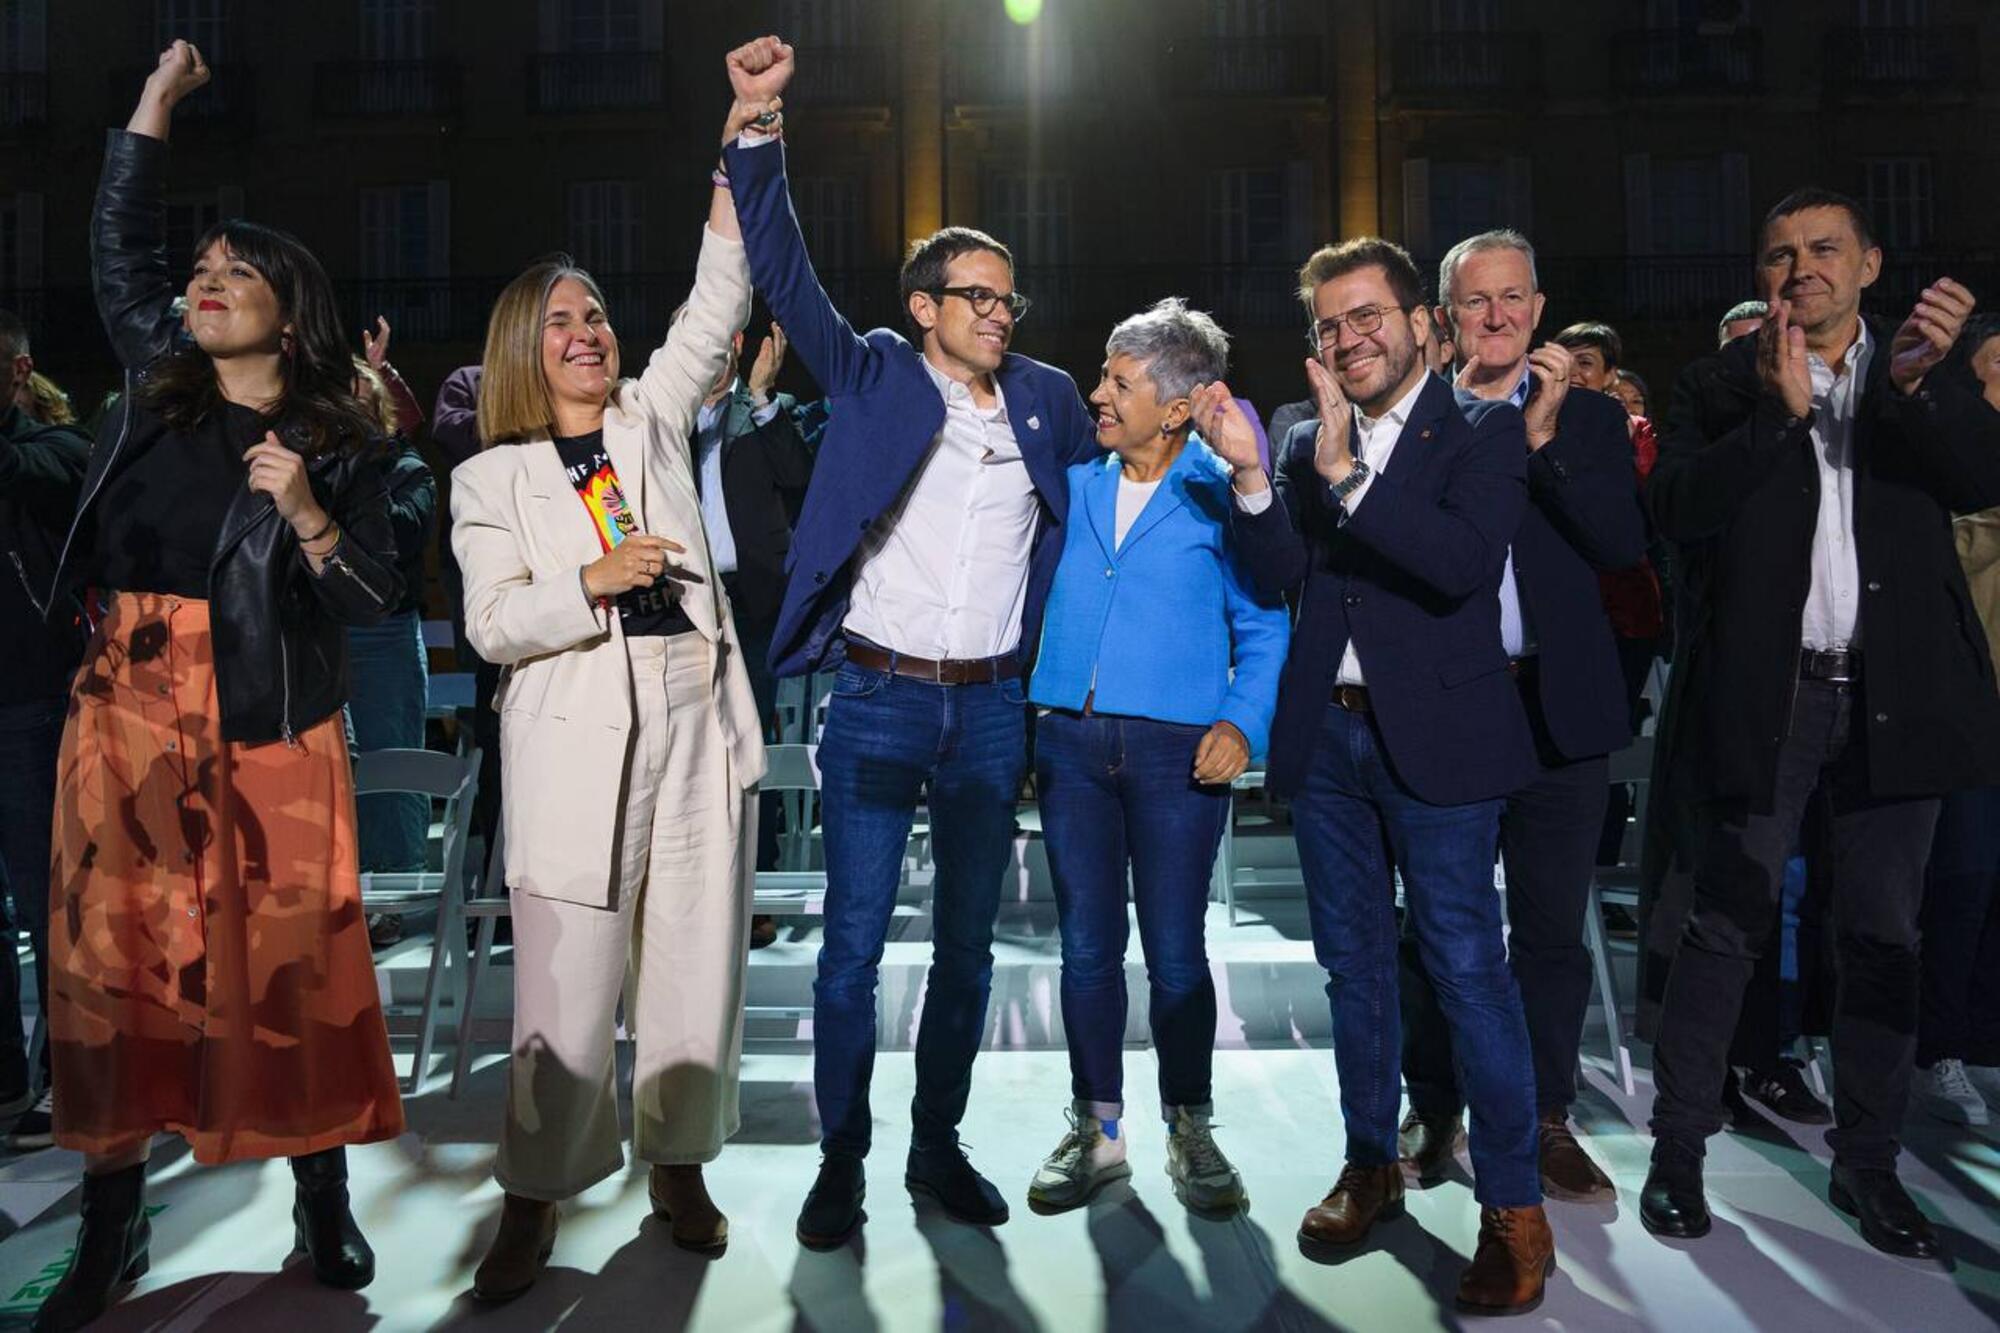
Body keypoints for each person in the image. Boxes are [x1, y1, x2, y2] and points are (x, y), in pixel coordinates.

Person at [34, 42, 406, 1329]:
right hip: (123, 697)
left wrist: (307, 511)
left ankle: (322, 1195)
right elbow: (118, 253)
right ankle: (112, 1216)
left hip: (268, 718)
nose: (203, 286)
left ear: (287, 311)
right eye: (200, 273)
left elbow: (375, 600)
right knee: (111, 955)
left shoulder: (337, 439)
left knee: (290, 956)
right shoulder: (155, 383)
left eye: (234, 274)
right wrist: (146, 113)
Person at [722, 37, 1099, 1249]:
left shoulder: (1045, 398)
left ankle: (936, 1147)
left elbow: (1100, 516)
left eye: (1008, 297)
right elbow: (781, 271)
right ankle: (844, 1156)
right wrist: (756, 131)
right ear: (924, 308)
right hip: (879, 700)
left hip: (991, 711)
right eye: (975, 297)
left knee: (967, 953)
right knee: (848, 947)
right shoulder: (877, 373)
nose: (998, 314)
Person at [449, 63, 776, 1303]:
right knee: (564, 995)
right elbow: (490, 626)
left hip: (694, 718)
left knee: (696, 969)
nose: (587, 334)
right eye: (560, 324)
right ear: (523, 355)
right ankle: (532, 1198)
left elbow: (717, 293)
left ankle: (679, 1169)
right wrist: (592, 576)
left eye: (594, 316)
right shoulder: (495, 480)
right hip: (577, 742)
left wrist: (737, 142)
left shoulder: (650, 419)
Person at [1640, 187, 2000, 1259]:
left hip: (1898, 699)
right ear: (1760, 275)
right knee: (1722, 929)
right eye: (1778, 254)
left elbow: (1980, 474)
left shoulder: (1913, 377)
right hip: (1767, 699)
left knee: (1882, 938)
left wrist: (1921, 390)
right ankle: (1676, 1156)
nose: (1799, 268)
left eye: (1822, 249)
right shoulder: (1718, 382)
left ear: (1868, 264)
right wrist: (1775, 415)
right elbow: (1680, 515)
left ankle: (1868, 1167)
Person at [1226, 237, 1555, 1315]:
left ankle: (1513, 1209)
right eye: (1329, 324)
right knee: (1351, 969)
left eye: (1368, 315)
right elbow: (1281, 578)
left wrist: (1345, 480)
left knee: (1466, 970)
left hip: (1445, 750)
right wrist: (1251, 482)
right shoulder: (1295, 432)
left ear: (1423, 325)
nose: (1349, 337)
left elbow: (1461, 564)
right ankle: (1370, 1164)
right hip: (1326, 743)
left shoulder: (1481, 430)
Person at [1394, 231, 1645, 1204]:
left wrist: (1539, 441)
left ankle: (1544, 1117)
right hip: (1449, 709)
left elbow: (1621, 543)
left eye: (1511, 299)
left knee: (1545, 931)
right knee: (1435, 927)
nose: (1494, 317)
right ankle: (1437, 1104)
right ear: (1447, 317)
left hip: (1556, 709)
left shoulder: (1581, 421)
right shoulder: (1417, 420)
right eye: (1474, 301)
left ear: (1537, 309)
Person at [1024, 299, 1288, 1215]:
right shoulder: (1076, 484)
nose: (1097, 393)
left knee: (1177, 953)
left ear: (1176, 406)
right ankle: (1097, 1131)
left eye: (1118, 382)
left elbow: (1265, 623)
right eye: (1104, 375)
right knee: (1089, 950)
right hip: (1068, 743)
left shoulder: (1223, 490)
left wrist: (1241, 724)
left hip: (1181, 753)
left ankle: (1191, 1125)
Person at [691, 317, 816, 946]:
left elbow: (798, 476)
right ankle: (696, 891)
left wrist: (763, 397)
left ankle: (757, 894)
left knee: (750, 745)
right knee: (692, 751)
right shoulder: (667, 421)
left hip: (752, 602)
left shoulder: (770, 409)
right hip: (686, 601)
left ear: (736, 349)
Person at [0, 309, 91, 1144]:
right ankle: (7, 1080)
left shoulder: (55, 450)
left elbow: (45, 474)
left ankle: (70, 1076)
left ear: (19, 371)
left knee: (46, 900)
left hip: (27, 700)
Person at [1913, 313, 2000, 1125]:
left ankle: (1980, 1039)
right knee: (1962, 879)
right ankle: (1940, 1047)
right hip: (1970, 705)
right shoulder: (1952, 465)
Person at [346, 321, 437, 897]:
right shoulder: (316, 471)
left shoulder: (408, 472)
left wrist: (353, 475)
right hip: (323, 631)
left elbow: (398, 538)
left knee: (392, 766)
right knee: (333, 773)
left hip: (384, 635)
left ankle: (397, 898)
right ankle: (342, 894)